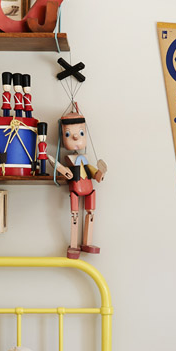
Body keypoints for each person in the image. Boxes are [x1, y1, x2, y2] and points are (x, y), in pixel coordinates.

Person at [45, 111, 107, 259]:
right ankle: (73, 245)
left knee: (90, 214)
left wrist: (101, 173)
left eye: (80, 132)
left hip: (89, 190)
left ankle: (87, 242)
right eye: (68, 134)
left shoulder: (85, 160)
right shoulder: (69, 160)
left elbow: (95, 174)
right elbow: (66, 172)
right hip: (76, 190)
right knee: (75, 216)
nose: (75, 137)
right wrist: (60, 168)